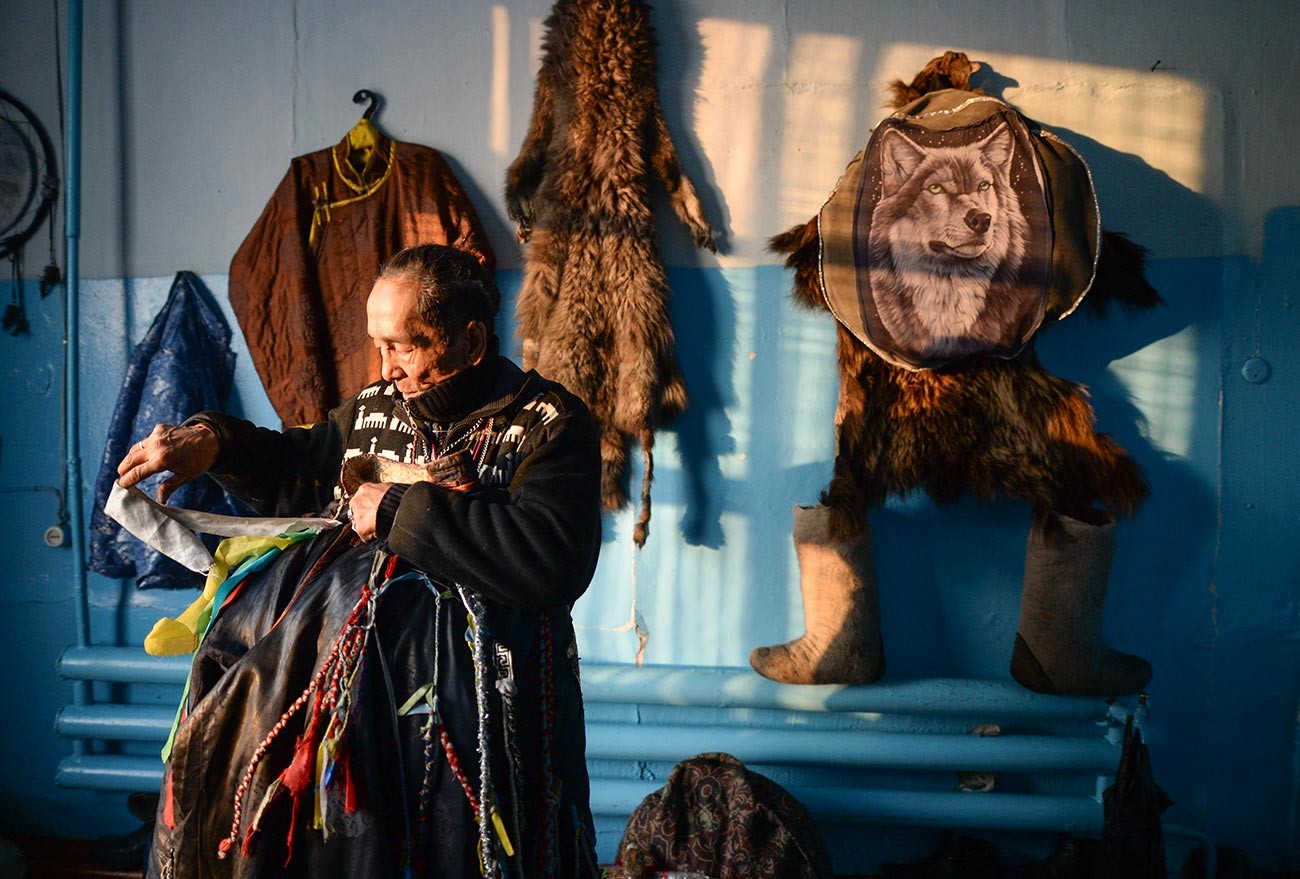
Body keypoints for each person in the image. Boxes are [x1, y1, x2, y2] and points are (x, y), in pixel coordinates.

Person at [119, 244, 604, 878]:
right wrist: (213, 443)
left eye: (405, 346)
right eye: (378, 344)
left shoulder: (548, 423)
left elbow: (551, 558)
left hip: (493, 717)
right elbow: (301, 467)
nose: (386, 367)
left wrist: (401, 509)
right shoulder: (376, 410)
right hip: (377, 727)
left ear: (472, 340)